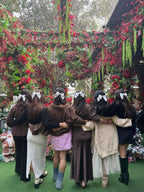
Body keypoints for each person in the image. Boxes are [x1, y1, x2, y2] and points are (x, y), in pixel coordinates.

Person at [12, 90, 68, 189]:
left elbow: (18, 120)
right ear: (41, 98)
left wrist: (12, 122)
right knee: (41, 157)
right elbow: (47, 124)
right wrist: (60, 124)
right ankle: (39, 175)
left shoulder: (28, 108)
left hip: (30, 136)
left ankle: (37, 177)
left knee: (31, 158)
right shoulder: (43, 109)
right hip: (41, 136)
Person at [83, 90, 132, 187]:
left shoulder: (95, 112)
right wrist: (130, 121)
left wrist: (82, 125)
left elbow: (90, 126)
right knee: (107, 156)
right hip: (110, 136)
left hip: (99, 137)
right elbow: (119, 122)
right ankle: (105, 178)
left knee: (101, 155)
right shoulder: (111, 111)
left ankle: (104, 177)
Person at [47, 87, 86, 190]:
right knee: (63, 157)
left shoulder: (50, 108)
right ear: (63, 96)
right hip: (65, 134)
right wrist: (84, 121)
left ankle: (55, 176)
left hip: (54, 134)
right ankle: (59, 181)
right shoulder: (68, 107)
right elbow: (74, 118)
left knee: (55, 155)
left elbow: (47, 121)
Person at [97, 89, 136, 185]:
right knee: (124, 152)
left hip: (121, 132)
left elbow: (106, 112)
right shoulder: (131, 106)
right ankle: (125, 175)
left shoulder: (117, 105)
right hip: (129, 132)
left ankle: (124, 176)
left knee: (122, 153)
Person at [70, 91, 100, 188]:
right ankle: (84, 180)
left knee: (77, 156)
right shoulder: (88, 107)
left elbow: (69, 120)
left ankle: (77, 178)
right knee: (86, 157)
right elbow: (95, 118)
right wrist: (104, 121)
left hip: (76, 135)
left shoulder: (72, 108)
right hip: (87, 135)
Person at [6, 89, 32, 182]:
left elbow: (8, 121)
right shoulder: (29, 107)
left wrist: (13, 125)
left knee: (18, 151)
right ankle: (24, 176)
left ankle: (18, 170)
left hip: (16, 133)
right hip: (25, 133)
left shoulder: (14, 107)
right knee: (25, 154)